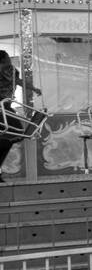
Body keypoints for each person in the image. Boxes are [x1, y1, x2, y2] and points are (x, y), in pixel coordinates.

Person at [0, 50, 43, 182]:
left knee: (14, 136)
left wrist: (33, 88)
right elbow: (18, 81)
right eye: (6, 59)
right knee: (15, 133)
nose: (9, 61)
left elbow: (17, 81)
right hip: (1, 106)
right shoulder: (6, 69)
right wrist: (33, 88)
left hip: (5, 105)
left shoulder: (9, 70)